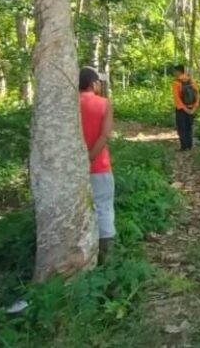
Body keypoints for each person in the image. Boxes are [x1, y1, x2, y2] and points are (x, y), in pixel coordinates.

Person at [79, 67, 116, 264]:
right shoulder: (103, 104)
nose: (100, 85)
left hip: (71, 170)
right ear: (93, 83)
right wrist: (90, 158)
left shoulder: (67, 104)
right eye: (99, 82)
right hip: (99, 166)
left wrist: (79, 162)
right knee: (103, 208)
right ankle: (105, 257)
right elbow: (105, 135)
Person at [172, 65, 200, 151]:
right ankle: (190, 145)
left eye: (174, 71)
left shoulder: (176, 83)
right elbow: (197, 95)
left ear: (179, 71)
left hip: (181, 110)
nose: (174, 73)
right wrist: (194, 108)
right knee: (189, 127)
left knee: (181, 127)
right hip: (191, 108)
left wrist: (184, 109)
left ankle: (184, 146)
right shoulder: (192, 81)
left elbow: (177, 98)